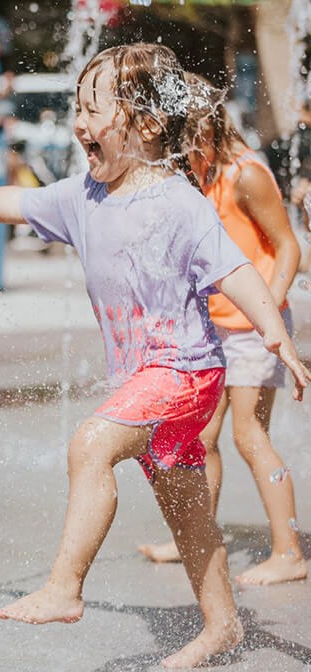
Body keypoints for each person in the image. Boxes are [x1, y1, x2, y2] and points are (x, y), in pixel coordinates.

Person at [0, 43, 311, 668]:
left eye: (93, 109)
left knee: (91, 444)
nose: (79, 123)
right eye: (76, 107)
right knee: (186, 510)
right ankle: (222, 625)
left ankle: (64, 588)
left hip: (183, 369)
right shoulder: (84, 197)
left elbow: (236, 270)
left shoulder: (179, 203)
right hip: (153, 375)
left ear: (145, 125)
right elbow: (18, 204)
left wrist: (274, 331)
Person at [137, 74, 305, 585]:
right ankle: (195, 537)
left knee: (249, 435)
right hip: (216, 329)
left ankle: (288, 552)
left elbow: (289, 246)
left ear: (204, 124)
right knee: (200, 438)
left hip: (255, 326)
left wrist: (268, 315)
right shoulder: (199, 175)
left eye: (181, 134)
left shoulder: (245, 173)